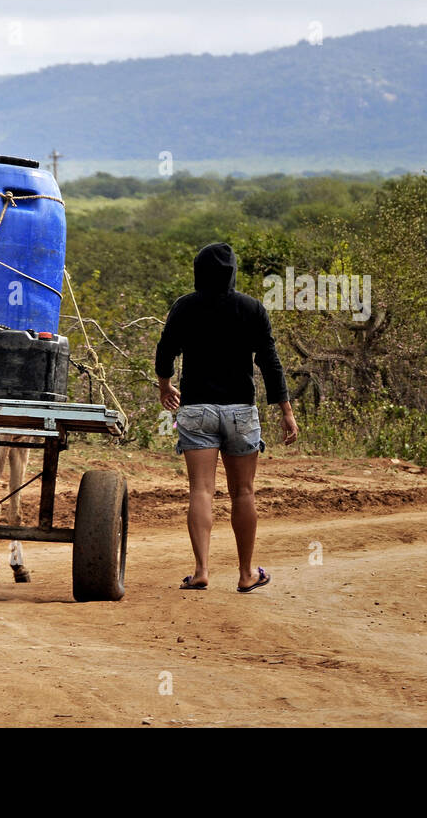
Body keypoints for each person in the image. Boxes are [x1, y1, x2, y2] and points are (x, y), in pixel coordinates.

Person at [155, 243, 299, 592]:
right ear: (233, 272)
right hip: (240, 412)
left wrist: (165, 386)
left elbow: (165, 350)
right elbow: (270, 364)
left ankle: (202, 570)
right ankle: (246, 574)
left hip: (197, 410)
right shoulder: (252, 309)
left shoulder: (185, 307)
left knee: (201, 491)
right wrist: (286, 411)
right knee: (243, 493)